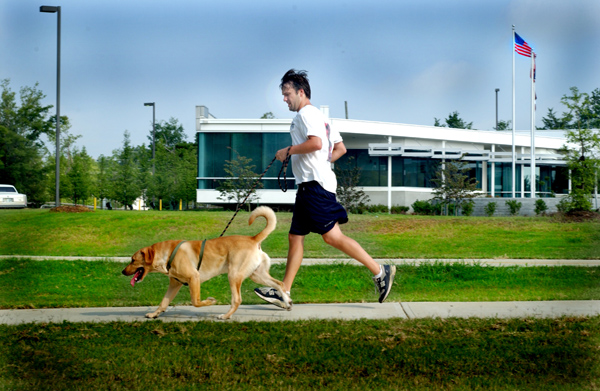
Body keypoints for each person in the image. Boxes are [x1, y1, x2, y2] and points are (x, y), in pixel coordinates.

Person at [254, 69, 396, 309]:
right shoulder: (322, 117)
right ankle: (284, 291)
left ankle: (379, 270)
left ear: (301, 92)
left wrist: (287, 151)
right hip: (311, 185)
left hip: (314, 186)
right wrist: (320, 163)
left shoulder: (305, 114)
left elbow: (316, 143)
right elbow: (340, 149)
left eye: (287, 94)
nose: (284, 99)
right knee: (294, 237)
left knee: (332, 237)